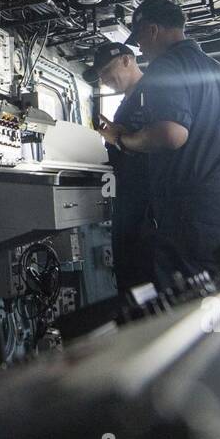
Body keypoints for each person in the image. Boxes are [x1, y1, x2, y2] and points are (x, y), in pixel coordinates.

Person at [97, 0, 220, 287]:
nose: (141, 48)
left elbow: (171, 135)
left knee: (191, 307)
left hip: (193, 212)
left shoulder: (167, 66)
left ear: (152, 30)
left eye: (140, 39)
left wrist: (122, 139)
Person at [87, 42, 151, 295]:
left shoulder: (151, 93)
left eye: (106, 71)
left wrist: (119, 140)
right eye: (100, 76)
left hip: (146, 207)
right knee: (131, 281)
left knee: (142, 281)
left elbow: (154, 143)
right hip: (130, 203)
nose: (104, 80)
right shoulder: (130, 101)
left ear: (127, 60)